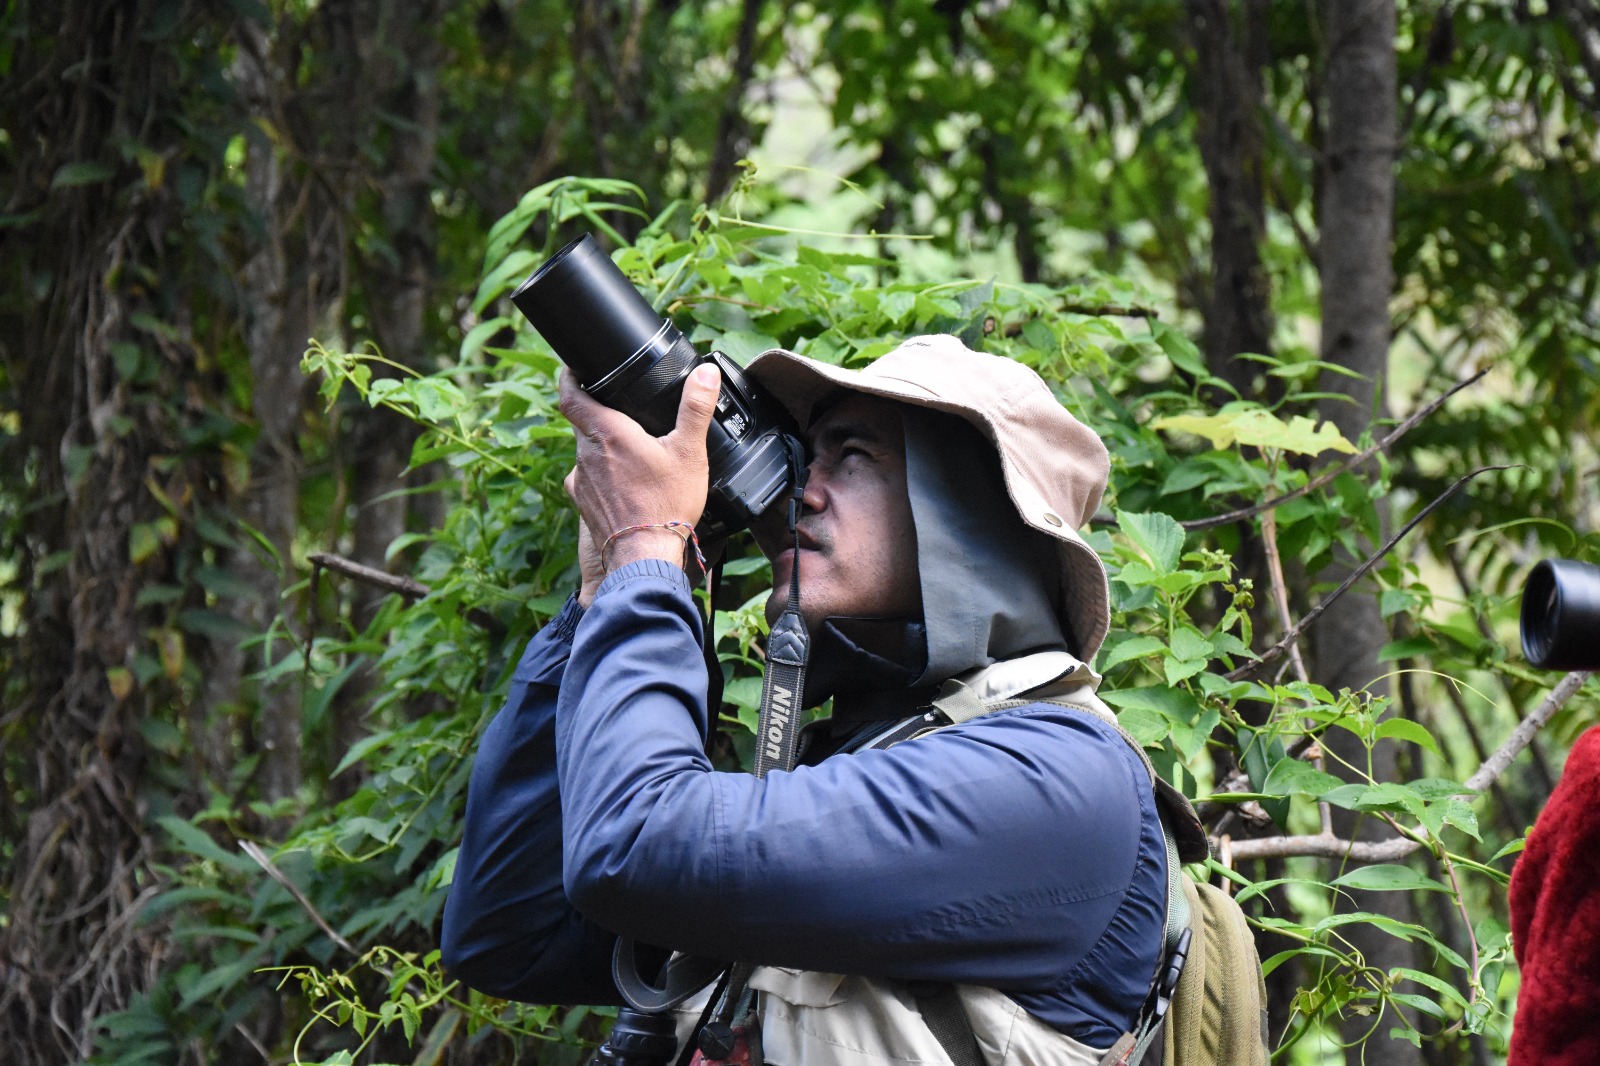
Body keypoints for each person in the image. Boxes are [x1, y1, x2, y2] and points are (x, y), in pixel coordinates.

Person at [440, 335, 1171, 1064]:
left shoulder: (1057, 780)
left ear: (973, 514)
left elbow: (634, 844)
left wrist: (645, 549)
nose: (803, 494)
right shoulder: (865, 756)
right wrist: (603, 597)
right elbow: (510, 936)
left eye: (853, 457)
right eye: (805, 459)